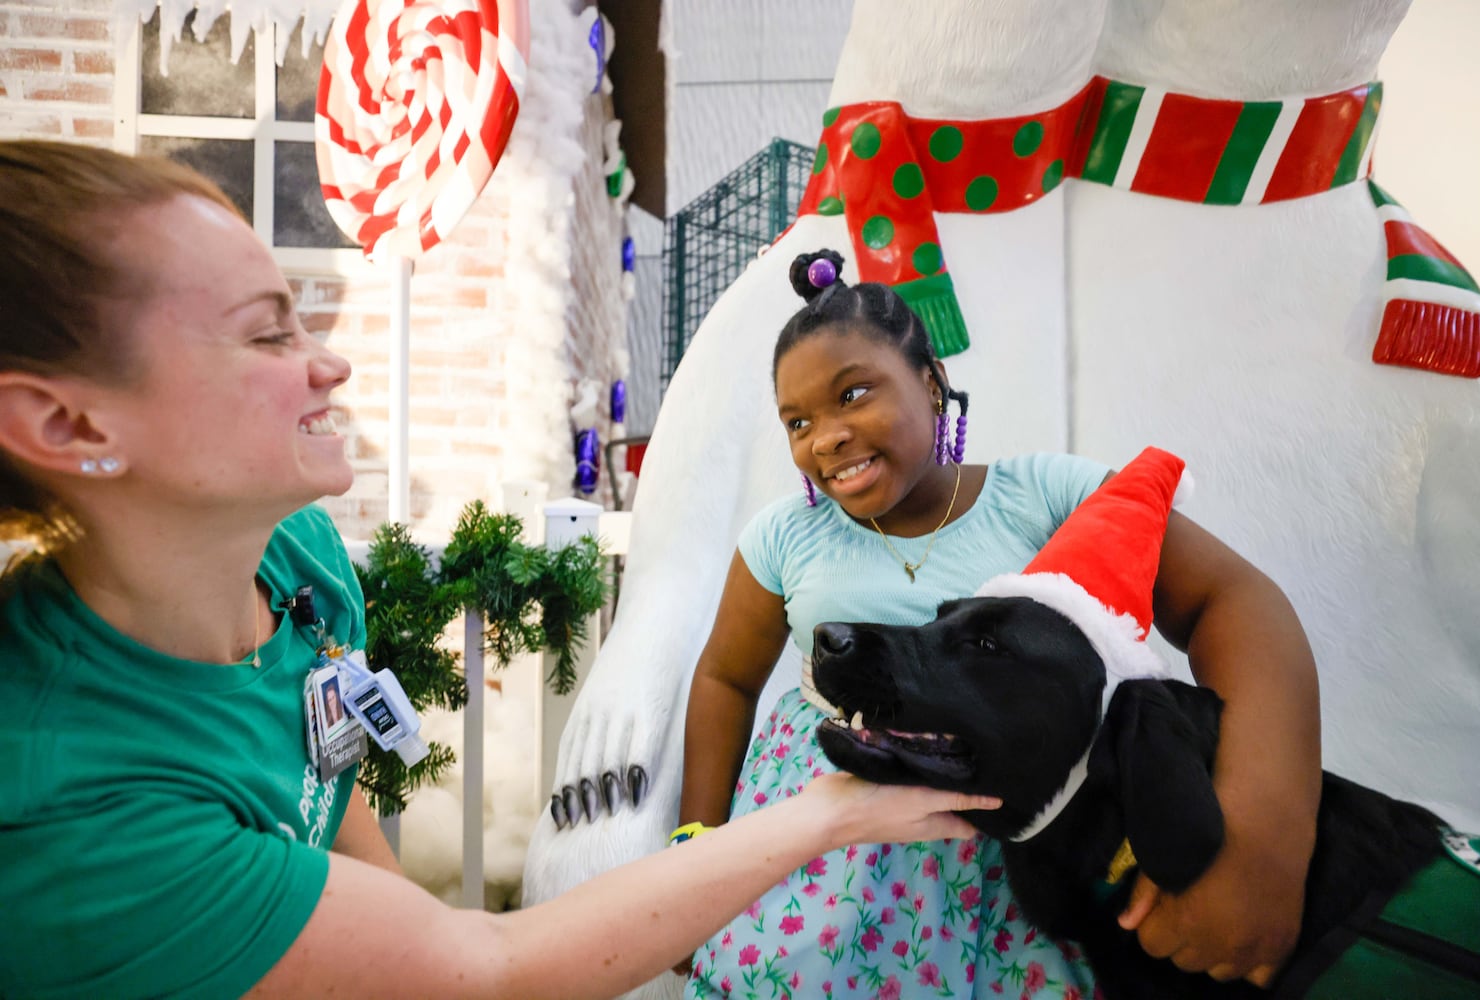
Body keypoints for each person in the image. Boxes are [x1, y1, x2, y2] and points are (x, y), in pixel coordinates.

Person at [0, 141, 1004, 1000]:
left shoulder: (292, 562)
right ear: (69, 423)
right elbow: (484, 970)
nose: (326, 362)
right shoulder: (75, 808)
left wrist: (397, 937)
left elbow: (333, 791)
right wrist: (824, 813)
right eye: (266, 333)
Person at [677, 250, 1323, 997]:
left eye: (852, 394)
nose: (823, 437)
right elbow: (725, 677)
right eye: (798, 421)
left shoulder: (1043, 495)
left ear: (931, 381)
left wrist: (1262, 836)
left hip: (1020, 873)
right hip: (823, 877)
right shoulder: (781, 537)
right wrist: (696, 852)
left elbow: (1234, 599)